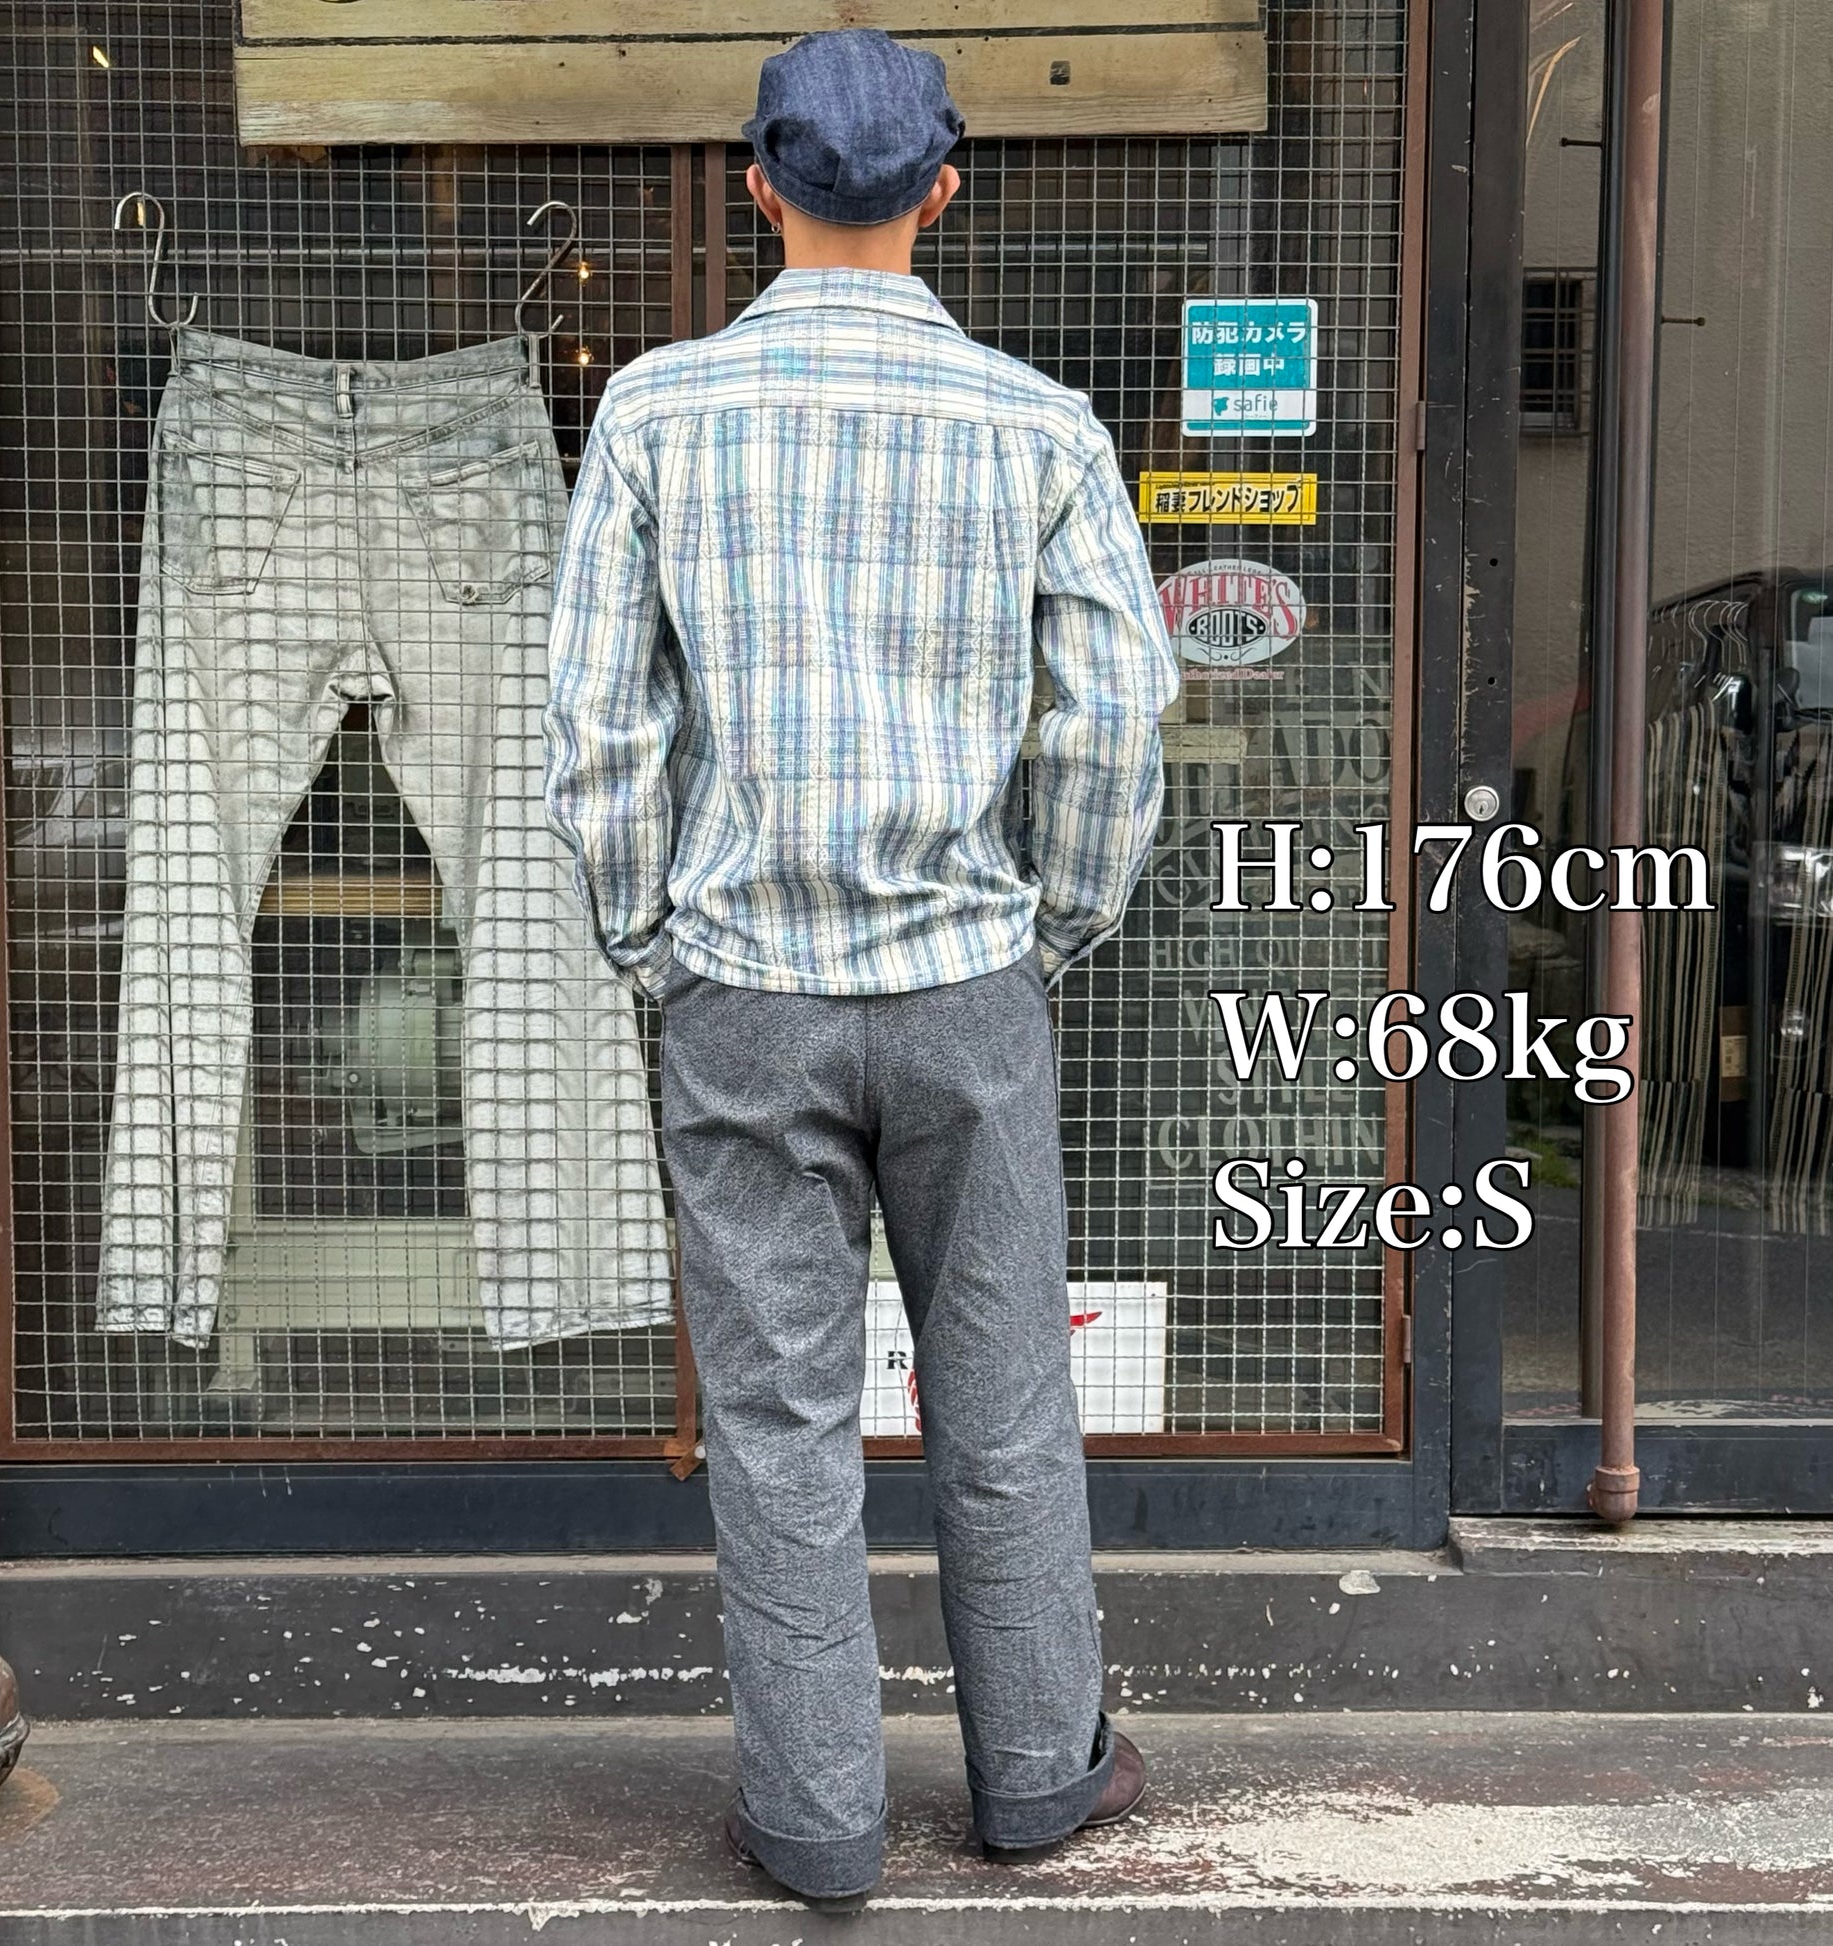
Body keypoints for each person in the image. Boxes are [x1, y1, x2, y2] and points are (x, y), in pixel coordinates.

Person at [544, 26, 1179, 1914]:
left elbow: (596, 727)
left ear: (757, 186)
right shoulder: (1039, 424)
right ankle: (1037, 1777)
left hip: (741, 986)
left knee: (777, 1418)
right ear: (942, 189)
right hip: (966, 978)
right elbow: (1115, 719)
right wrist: (1048, 924)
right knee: (1004, 1396)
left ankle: (815, 1820)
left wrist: (651, 936)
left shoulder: (655, 412)